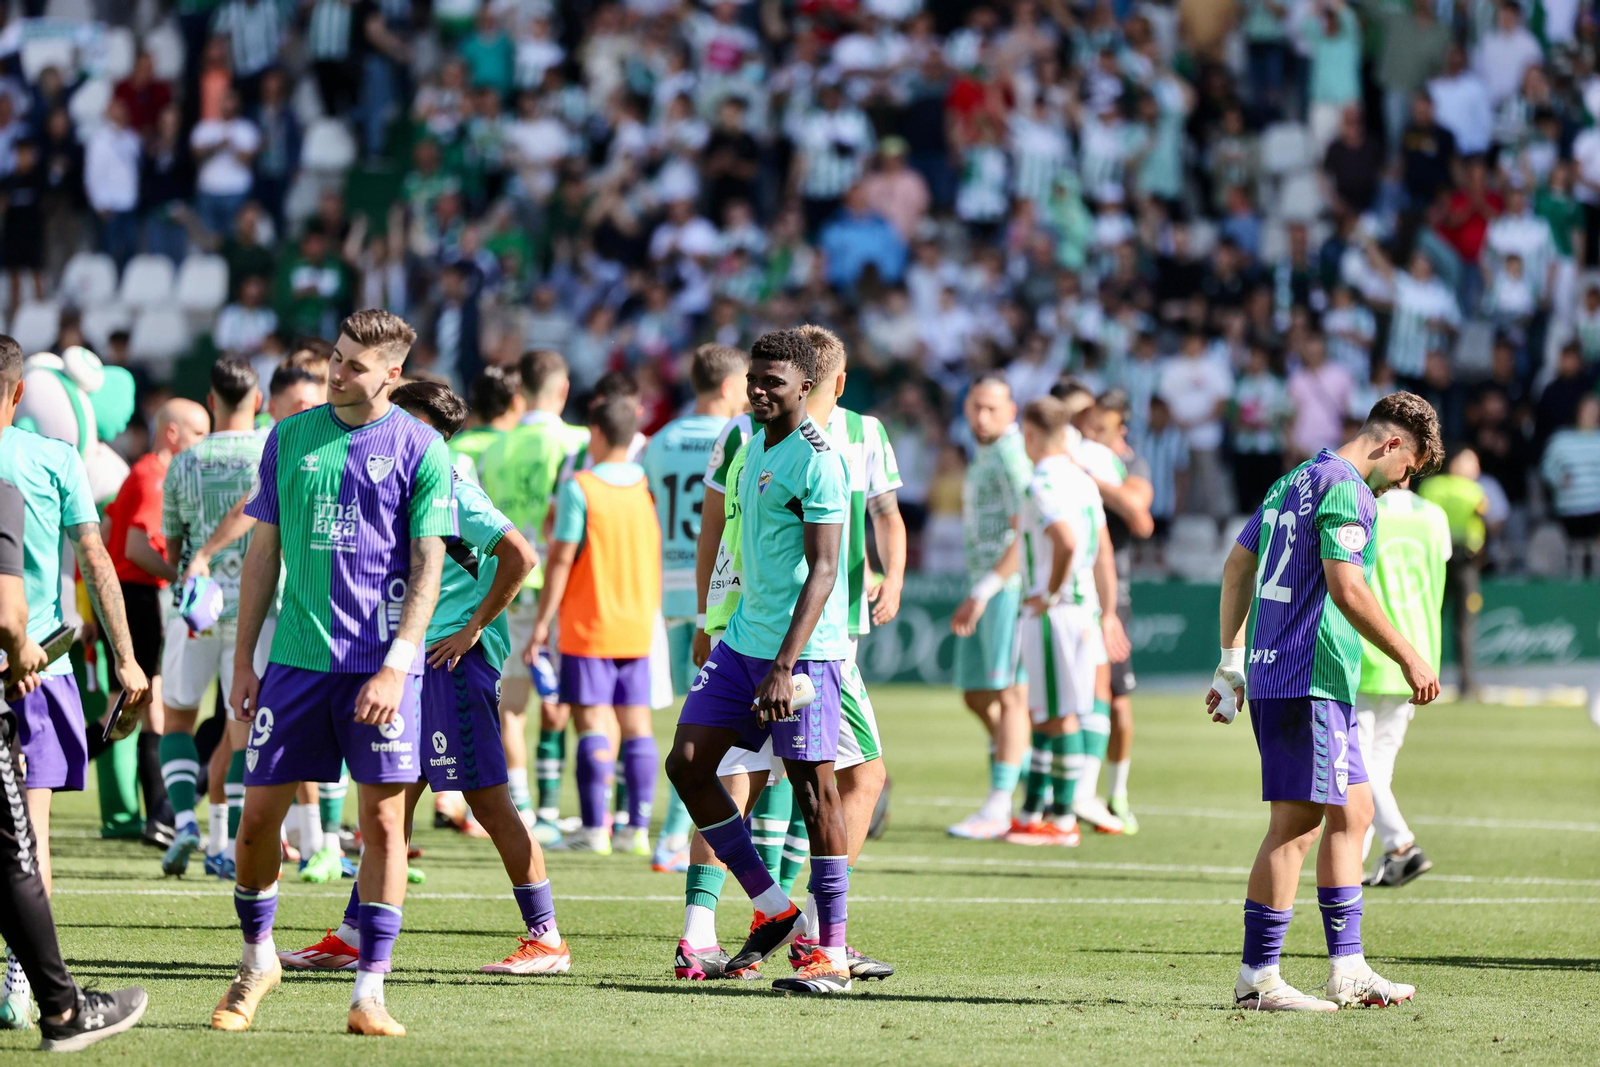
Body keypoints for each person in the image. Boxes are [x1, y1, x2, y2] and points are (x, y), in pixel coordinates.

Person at [214, 310, 455, 1037]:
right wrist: (244, 659)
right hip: (294, 664)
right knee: (257, 822)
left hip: (380, 669)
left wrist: (397, 667)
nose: (338, 372)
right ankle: (257, 960)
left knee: (382, 822)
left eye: (355, 364)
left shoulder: (421, 445)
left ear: (393, 375)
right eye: (337, 357)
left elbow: (429, 567)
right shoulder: (289, 435)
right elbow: (263, 554)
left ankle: (369, 992)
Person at [281, 381, 569, 975]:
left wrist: (470, 630)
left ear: (427, 434)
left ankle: (547, 939)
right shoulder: (402, 481)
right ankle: (355, 934)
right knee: (391, 801)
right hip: (410, 661)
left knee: (486, 799)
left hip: (450, 663)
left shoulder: (453, 487)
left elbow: (521, 555)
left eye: (400, 420)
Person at [1206, 391, 1443, 1011]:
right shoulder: (1348, 488)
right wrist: (1409, 655)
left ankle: (1348, 970)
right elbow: (1347, 587)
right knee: (1296, 826)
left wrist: (1232, 662)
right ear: (1393, 443)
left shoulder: (1292, 481)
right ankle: (1258, 979)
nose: (1404, 481)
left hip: (1293, 675)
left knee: (1355, 813)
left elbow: (1237, 567)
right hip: (1306, 675)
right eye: (1409, 467)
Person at [665, 328, 854, 995]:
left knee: (814, 792)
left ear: (807, 386)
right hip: (742, 641)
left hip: (802, 656)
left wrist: (784, 664)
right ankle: (773, 905)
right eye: (754, 380)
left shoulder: (819, 460)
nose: (759, 391)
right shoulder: (750, 448)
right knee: (687, 764)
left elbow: (825, 569)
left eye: (774, 381)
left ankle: (830, 953)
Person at [0, 333, 151, 1029]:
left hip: (29, 661)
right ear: (19, 391)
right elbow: (95, 556)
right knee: (28, 836)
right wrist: (126, 656)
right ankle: (20, 982)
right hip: (37, 671)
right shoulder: (53, 458)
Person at [529, 394, 660, 856]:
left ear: (597, 434)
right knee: (637, 725)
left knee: (590, 725)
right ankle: (635, 829)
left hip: (589, 623)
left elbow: (560, 560)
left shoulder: (580, 486)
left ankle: (593, 829)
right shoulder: (646, 486)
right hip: (638, 621)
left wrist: (542, 622)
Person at [640, 344, 749, 873]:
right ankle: (673, 836)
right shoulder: (741, 437)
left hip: (665, 590)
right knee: (715, 729)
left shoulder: (659, 441)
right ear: (730, 386)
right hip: (719, 593)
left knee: (687, 723)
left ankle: (657, 830)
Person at [999, 397, 1127, 846]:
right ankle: (1033, 813)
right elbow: (1103, 553)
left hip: (1056, 612)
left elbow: (1067, 542)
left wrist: (1050, 591)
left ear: (1031, 435)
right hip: (1082, 609)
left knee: (1059, 716)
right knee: (1047, 714)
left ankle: (1063, 819)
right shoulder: (1083, 480)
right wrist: (1108, 612)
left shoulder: (1042, 482)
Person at [160, 360, 268, 880]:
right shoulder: (271, 453)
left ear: (211, 401)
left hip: (197, 604)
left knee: (178, 717)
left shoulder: (184, 462)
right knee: (244, 727)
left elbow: (173, 547)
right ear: (259, 400)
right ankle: (230, 846)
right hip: (258, 607)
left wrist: (194, 562)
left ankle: (185, 821)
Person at [477, 350, 588, 843]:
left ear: (520, 392)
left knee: (512, 704)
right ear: (563, 390)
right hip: (558, 587)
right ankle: (549, 810)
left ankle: (521, 807)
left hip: (507, 583)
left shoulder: (495, 449)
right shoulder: (577, 441)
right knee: (561, 702)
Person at [104, 398, 209, 876]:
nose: (203, 444)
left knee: (145, 707)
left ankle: (158, 818)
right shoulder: (155, 475)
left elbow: (109, 527)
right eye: (198, 433)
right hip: (138, 596)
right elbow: (133, 545)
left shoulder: (143, 471)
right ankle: (160, 816)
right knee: (141, 706)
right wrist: (182, 577)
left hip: (132, 596)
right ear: (172, 434)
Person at [947, 375, 1033, 840]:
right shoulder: (986, 452)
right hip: (985, 584)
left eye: (992, 408)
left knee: (1010, 694)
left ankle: (1000, 803)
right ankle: (1021, 762)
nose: (982, 416)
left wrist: (984, 590)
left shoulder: (1010, 456)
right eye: (976, 406)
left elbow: (1027, 530)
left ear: (1011, 411)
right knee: (976, 693)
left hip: (1008, 587)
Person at [1355, 480, 1450, 889]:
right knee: (1377, 768)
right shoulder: (1435, 517)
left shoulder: (1362, 509)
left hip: (1369, 651)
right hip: (1419, 653)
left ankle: (1400, 844)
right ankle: (1354, 863)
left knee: (1358, 768)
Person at [1083, 391, 1154, 832]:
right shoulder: (1072, 457)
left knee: (1116, 700)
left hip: (1112, 593)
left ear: (1120, 430)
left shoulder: (1130, 464)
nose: (1091, 434)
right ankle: (1068, 795)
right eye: (1088, 425)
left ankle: (1117, 793)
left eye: (1101, 428)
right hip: (1068, 591)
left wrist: (1089, 480)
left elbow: (1141, 517)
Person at [1416, 447, 1488, 699]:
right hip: (1464, 563)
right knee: (1465, 625)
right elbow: (1485, 520)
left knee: (1428, 619)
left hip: (1434, 561)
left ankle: (1420, 678)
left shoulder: (1430, 487)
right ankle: (1467, 685)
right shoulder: (1474, 491)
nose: (1476, 468)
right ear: (1456, 464)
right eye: (1471, 462)